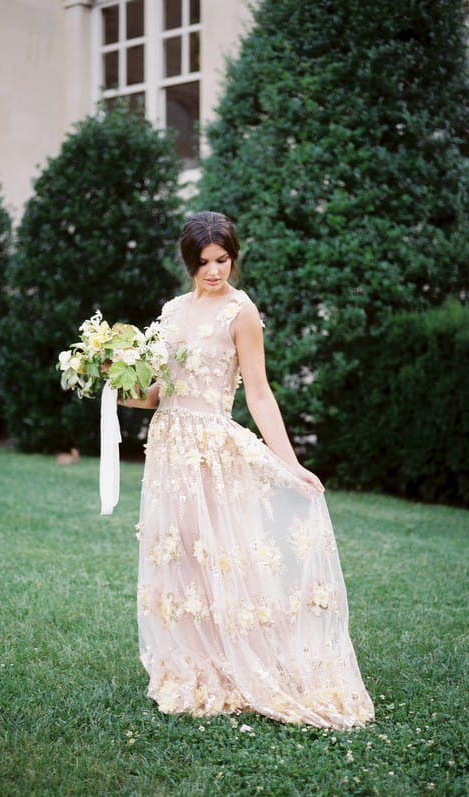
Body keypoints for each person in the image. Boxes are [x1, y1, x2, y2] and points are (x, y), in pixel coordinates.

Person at [119, 211, 374, 728]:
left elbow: (257, 392)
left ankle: (241, 661)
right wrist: (112, 385)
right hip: (168, 448)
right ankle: (196, 661)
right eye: (204, 262)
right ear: (189, 261)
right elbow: (157, 393)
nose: (215, 271)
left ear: (233, 258)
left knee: (220, 554)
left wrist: (291, 462)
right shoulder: (170, 312)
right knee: (181, 550)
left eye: (223, 260)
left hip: (210, 446)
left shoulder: (241, 312)